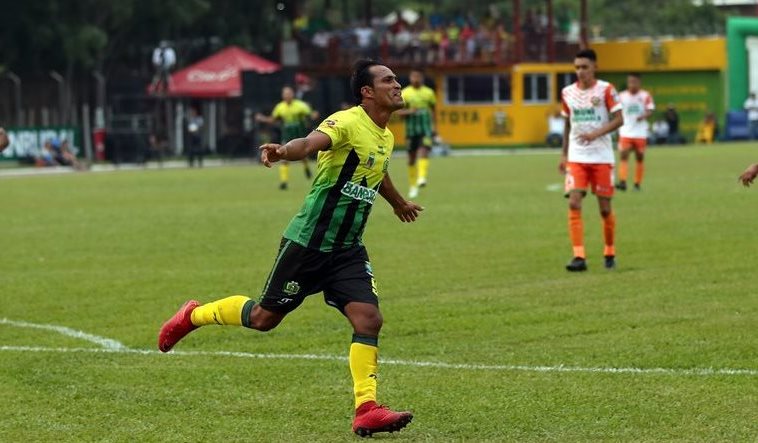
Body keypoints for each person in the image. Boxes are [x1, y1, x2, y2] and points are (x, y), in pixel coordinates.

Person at [158, 59, 422, 437]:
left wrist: (397, 203)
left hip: (347, 248)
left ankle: (366, 408)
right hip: (309, 242)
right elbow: (311, 142)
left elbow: (375, 172)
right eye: (388, 80)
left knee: (369, 319)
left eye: (396, 80)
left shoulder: (386, 135)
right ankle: (193, 315)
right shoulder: (347, 121)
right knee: (264, 319)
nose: (398, 85)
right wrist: (284, 151)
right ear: (367, 91)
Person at [559, 48, 624, 272]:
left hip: (602, 156)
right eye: (577, 67)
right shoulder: (567, 92)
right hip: (577, 156)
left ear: (595, 67)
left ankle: (609, 251)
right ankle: (579, 256)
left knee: (605, 209)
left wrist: (596, 134)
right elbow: (568, 123)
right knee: (574, 201)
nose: (580, 71)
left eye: (585, 67)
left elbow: (619, 120)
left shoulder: (606, 89)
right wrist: (564, 154)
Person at [256, 86, 319, 190]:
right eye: (285, 94)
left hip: (299, 134)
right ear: (282, 95)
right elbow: (273, 119)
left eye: (289, 93)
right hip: (287, 135)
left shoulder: (300, 105)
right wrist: (262, 118)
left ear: (292, 94)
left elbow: (311, 115)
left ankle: (306, 168)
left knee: (303, 156)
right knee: (283, 157)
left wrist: (314, 115)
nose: (287, 95)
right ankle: (284, 182)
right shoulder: (280, 107)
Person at [399, 69, 436, 198]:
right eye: (413, 76)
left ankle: (422, 177)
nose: (416, 78)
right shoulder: (405, 93)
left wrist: (434, 127)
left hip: (425, 129)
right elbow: (399, 113)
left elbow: (432, 110)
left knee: (424, 150)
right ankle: (413, 186)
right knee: (411, 159)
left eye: (418, 76)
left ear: (422, 78)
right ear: (410, 78)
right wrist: (410, 112)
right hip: (411, 131)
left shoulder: (429, 93)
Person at [616, 73, 655, 191]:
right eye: (630, 82)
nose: (632, 84)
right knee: (624, 155)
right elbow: (616, 110)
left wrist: (644, 116)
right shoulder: (621, 96)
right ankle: (622, 182)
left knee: (640, 157)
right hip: (626, 131)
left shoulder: (645, 95)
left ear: (639, 83)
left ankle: (637, 184)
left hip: (640, 132)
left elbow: (650, 109)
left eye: (634, 82)